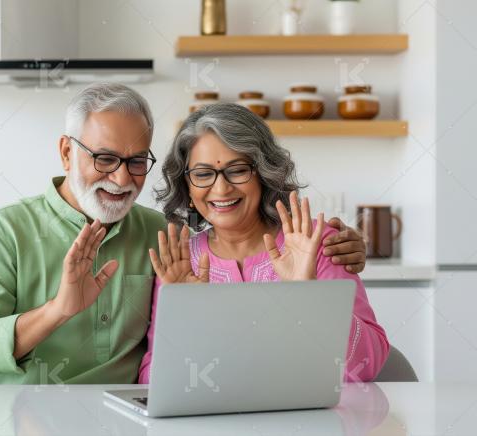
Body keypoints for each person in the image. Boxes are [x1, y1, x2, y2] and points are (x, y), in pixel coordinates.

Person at [0, 83, 368, 384]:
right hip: (15, 419)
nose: (121, 177)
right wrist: (57, 310)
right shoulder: (5, 232)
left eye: (135, 161)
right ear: (67, 152)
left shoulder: (166, 238)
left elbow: (365, 364)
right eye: (105, 158)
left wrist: (320, 285)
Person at [139, 103, 389, 384]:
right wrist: (185, 323)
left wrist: (310, 296)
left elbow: (368, 364)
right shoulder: (180, 263)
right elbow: (152, 379)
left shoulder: (314, 245)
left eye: (238, 170)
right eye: (203, 173)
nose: (221, 189)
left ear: (264, 172)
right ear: (186, 184)